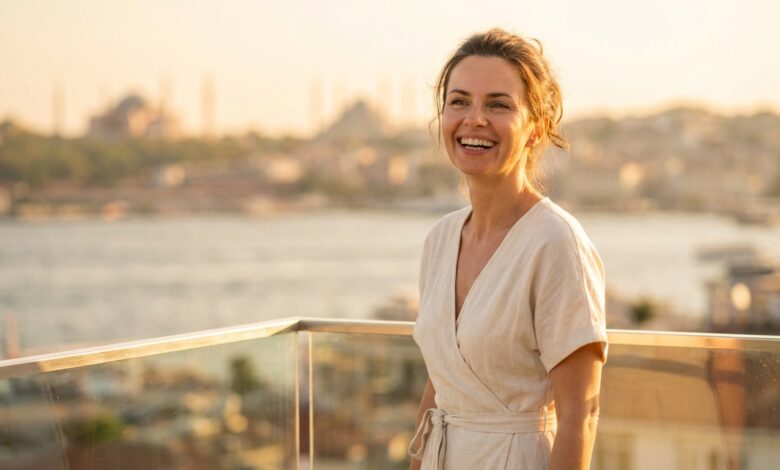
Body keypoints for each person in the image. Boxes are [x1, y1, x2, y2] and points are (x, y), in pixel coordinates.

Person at [408, 28, 608, 470]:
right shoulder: (439, 240)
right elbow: (441, 383)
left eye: (498, 104)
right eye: (459, 101)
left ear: (535, 131)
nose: (474, 119)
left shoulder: (556, 243)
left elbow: (581, 416)